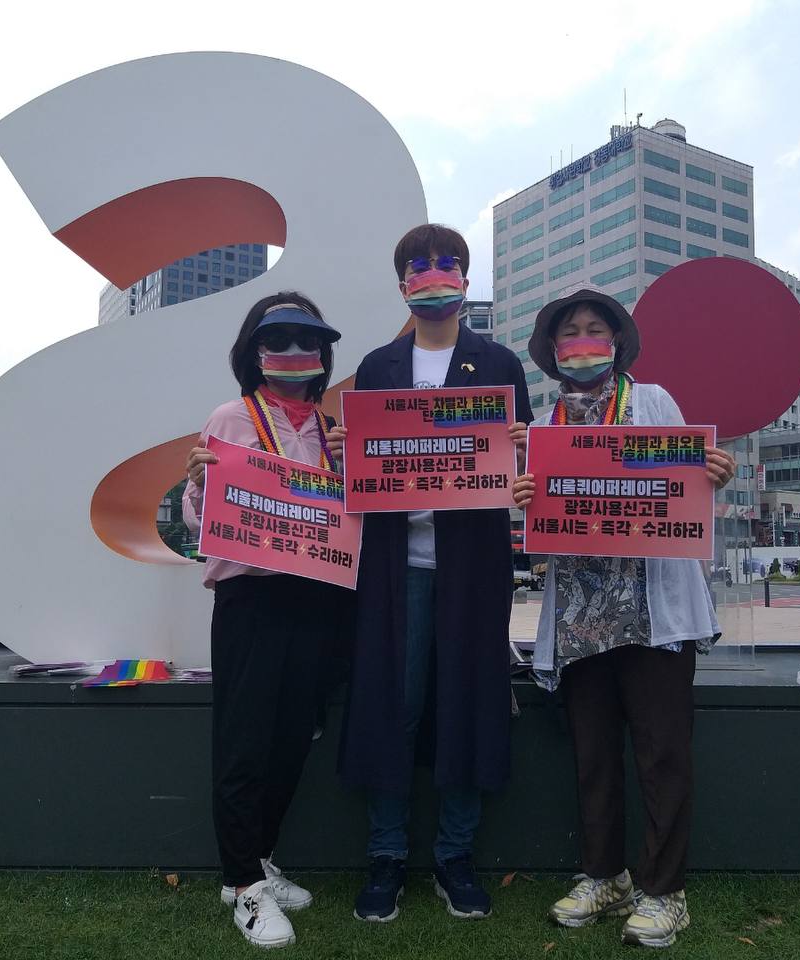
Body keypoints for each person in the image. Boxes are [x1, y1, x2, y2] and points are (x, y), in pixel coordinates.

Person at [511, 284, 736, 949]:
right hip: (582, 615)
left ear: (615, 344)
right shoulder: (545, 429)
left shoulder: (652, 401)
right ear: (553, 352)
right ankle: (603, 875)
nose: (582, 340)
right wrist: (522, 499)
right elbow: (544, 536)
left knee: (662, 754)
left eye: (594, 329)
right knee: (594, 755)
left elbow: (681, 487)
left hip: (652, 610)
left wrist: (711, 473)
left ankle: (664, 891)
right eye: (569, 332)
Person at [333, 224, 532, 923]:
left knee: (467, 702)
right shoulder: (378, 366)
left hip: (473, 569)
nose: (434, 275)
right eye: (420, 266)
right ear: (403, 284)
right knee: (394, 704)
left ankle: (455, 855)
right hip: (394, 569)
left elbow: (526, 475)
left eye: (448, 264)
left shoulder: (498, 362)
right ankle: (386, 855)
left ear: (466, 279)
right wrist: (341, 450)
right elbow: (353, 474)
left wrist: (520, 450)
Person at [182, 292, 347, 949]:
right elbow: (203, 524)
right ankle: (242, 886)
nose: (293, 356)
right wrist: (195, 484)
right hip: (251, 599)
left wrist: (353, 463)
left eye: (307, 344)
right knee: (245, 740)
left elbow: (355, 518)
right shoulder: (230, 416)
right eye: (277, 341)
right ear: (255, 352)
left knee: (293, 736)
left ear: (322, 358)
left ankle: (260, 861)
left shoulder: (334, 429)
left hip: (317, 597)